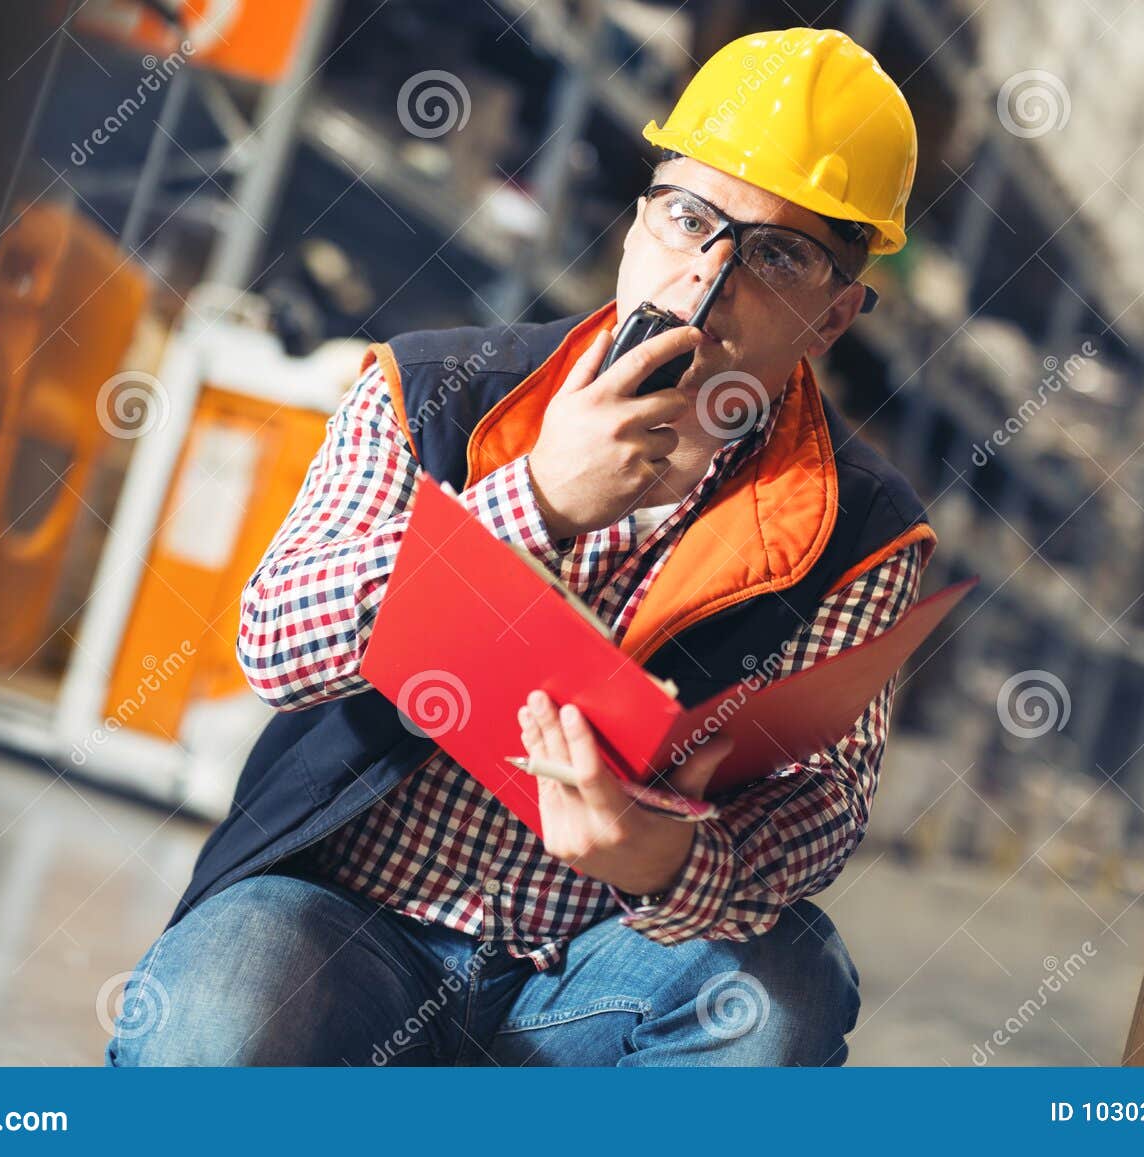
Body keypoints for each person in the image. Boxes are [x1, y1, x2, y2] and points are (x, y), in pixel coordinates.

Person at [108, 26, 934, 1068]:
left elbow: (822, 801)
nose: (709, 280)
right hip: (349, 924)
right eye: (689, 218)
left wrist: (665, 856)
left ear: (835, 314)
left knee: (781, 996)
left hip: (596, 969)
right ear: (636, 228)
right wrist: (536, 501)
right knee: (214, 1020)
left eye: (778, 254)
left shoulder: (863, 529)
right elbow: (278, 639)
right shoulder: (434, 389)